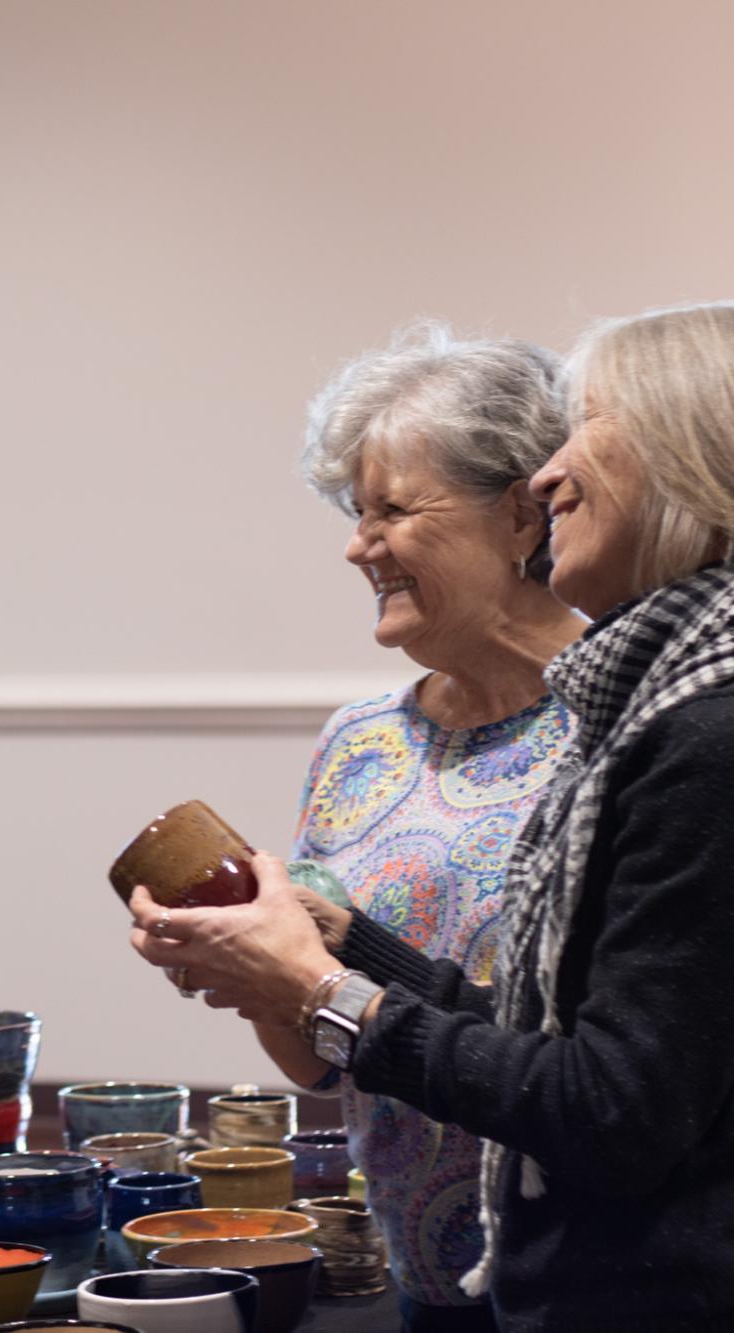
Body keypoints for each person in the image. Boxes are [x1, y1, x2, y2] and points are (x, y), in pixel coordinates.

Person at [132, 300, 734, 1330]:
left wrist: (323, 985)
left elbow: (608, 1099)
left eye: (391, 509)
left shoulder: (667, 729)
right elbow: (516, 1034)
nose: (555, 476)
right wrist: (320, 955)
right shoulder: (369, 738)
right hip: (447, 1273)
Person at [221, 326, 582, 1330]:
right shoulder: (357, 743)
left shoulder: (624, 728)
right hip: (410, 1283)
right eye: (353, 511)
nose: (354, 543)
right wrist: (255, 957)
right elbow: (310, 1057)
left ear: (519, 515)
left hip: (588, 1283)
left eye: (391, 509)